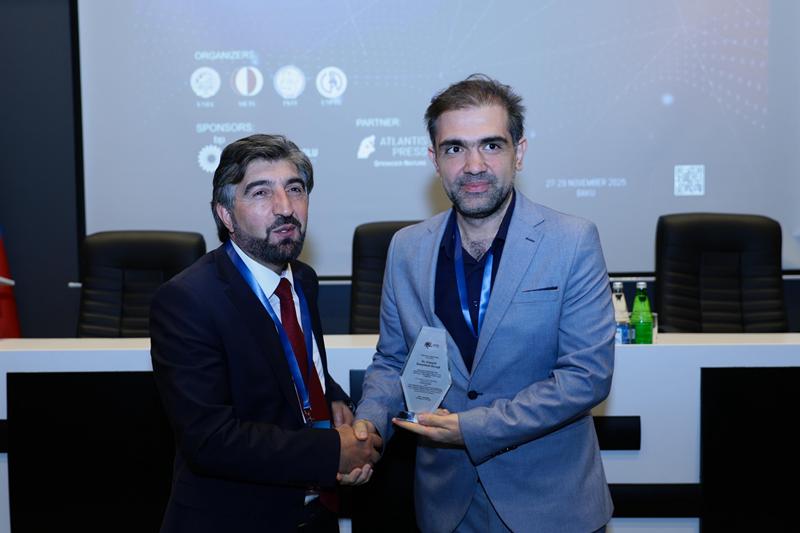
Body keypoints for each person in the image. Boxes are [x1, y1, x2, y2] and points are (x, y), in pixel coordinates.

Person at [354, 75, 615, 533]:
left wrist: (473, 428)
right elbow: (394, 361)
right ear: (434, 160)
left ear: (519, 152)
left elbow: (585, 376)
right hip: (446, 505)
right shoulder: (407, 248)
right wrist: (369, 425)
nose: (474, 165)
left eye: (491, 146)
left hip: (551, 505)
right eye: (455, 148)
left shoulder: (572, 241)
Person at [150, 134, 382, 533]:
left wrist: (333, 398)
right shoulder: (187, 299)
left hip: (315, 515)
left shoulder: (303, 279)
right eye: (261, 193)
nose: (285, 207)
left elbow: (291, 367)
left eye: (295, 189)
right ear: (226, 215)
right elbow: (210, 439)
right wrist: (332, 452)